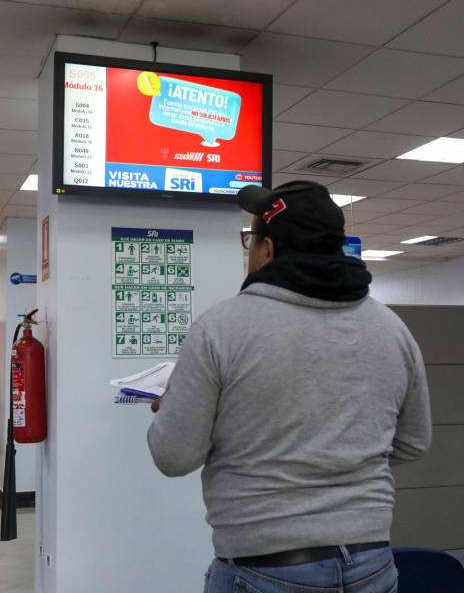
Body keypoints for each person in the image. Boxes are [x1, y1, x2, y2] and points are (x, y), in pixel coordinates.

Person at [147, 181, 432, 593]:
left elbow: (174, 456)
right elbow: (414, 442)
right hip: (371, 563)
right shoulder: (391, 328)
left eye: (251, 240)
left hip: (263, 567)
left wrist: (173, 406)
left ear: (267, 249)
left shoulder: (221, 328)